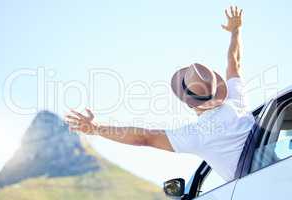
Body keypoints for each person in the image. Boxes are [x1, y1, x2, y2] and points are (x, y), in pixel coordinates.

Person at [65, 6, 254, 181]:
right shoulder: (236, 100)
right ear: (216, 90)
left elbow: (144, 138)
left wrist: (95, 128)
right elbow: (234, 62)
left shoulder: (198, 135)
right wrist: (236, 30)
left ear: (188, 102)